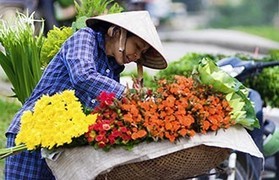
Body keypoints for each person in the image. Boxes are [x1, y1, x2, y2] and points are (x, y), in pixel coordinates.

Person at [4, 11, 167, 179]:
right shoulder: (85, 37)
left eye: (141, 53)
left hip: (61, 144)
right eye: (137, 47)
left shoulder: (113, 68)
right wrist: (128, 94)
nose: (137, 56)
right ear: (116, 32)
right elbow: (83, 76)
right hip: (31, 135)